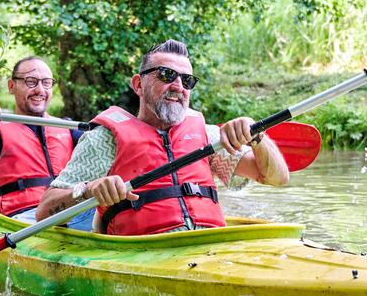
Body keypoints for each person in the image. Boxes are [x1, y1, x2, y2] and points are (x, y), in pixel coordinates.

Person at [36, 40, 289, 235]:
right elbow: (44, 213)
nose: (179, 86)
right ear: (138, 85)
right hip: (143, 255)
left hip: (211, 249)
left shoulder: (208, 135)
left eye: (187, 80)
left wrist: (258, 136)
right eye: (167, 75)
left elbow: (276, 178)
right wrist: (88, 190)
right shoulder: (103, 140)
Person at [0, 56, 93, 230]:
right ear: (12, 86)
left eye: (46, 82)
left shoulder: (68, 128)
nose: (40, 89)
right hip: (20, 219)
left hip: (69, 212)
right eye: (31, 82)